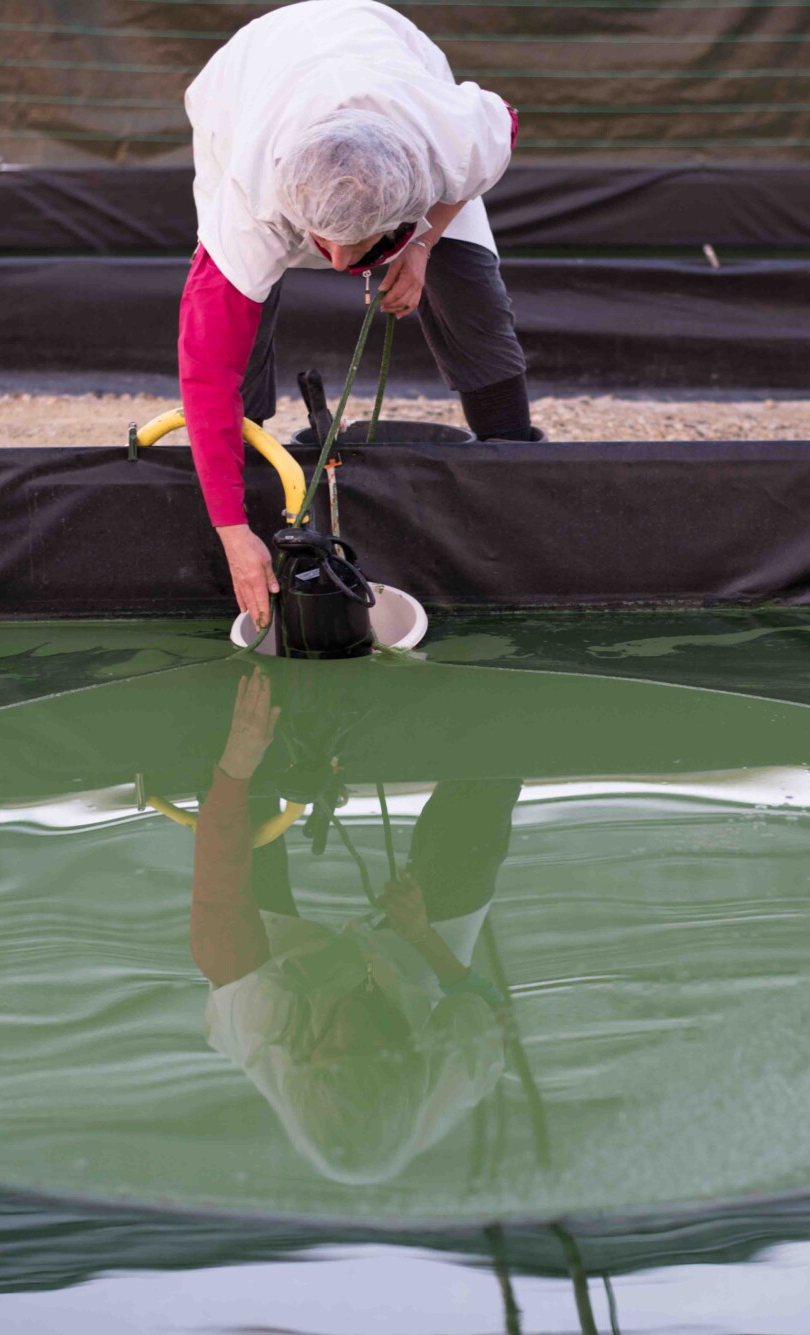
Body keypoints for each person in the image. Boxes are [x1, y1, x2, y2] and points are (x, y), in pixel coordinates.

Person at [180, 0, 540, 629]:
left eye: (366, 246)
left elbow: (504, 124)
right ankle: (258, 459)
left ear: (410, 204)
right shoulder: (250, 205)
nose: (343, 261)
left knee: (471, 288)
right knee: (243, 323)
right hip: (245, 84)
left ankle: (512, 464)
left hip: (387, 58)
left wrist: (423, 246)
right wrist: (233, 533)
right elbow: (205, 375)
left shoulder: (451, 139)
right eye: (325, 243)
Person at [189, 669, 520, 1183]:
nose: (349, 1026)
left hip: (285, 971)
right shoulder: (454, 1072)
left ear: (304, 1061)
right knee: (481, 811)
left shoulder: (257, 1023)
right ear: (408, 1061)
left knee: (235, 785)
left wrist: (236, 763)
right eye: (370, 1045)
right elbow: (493, 1010)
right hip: (410, 973)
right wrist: (422, 937)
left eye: (336, 1048)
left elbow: (219, 884)